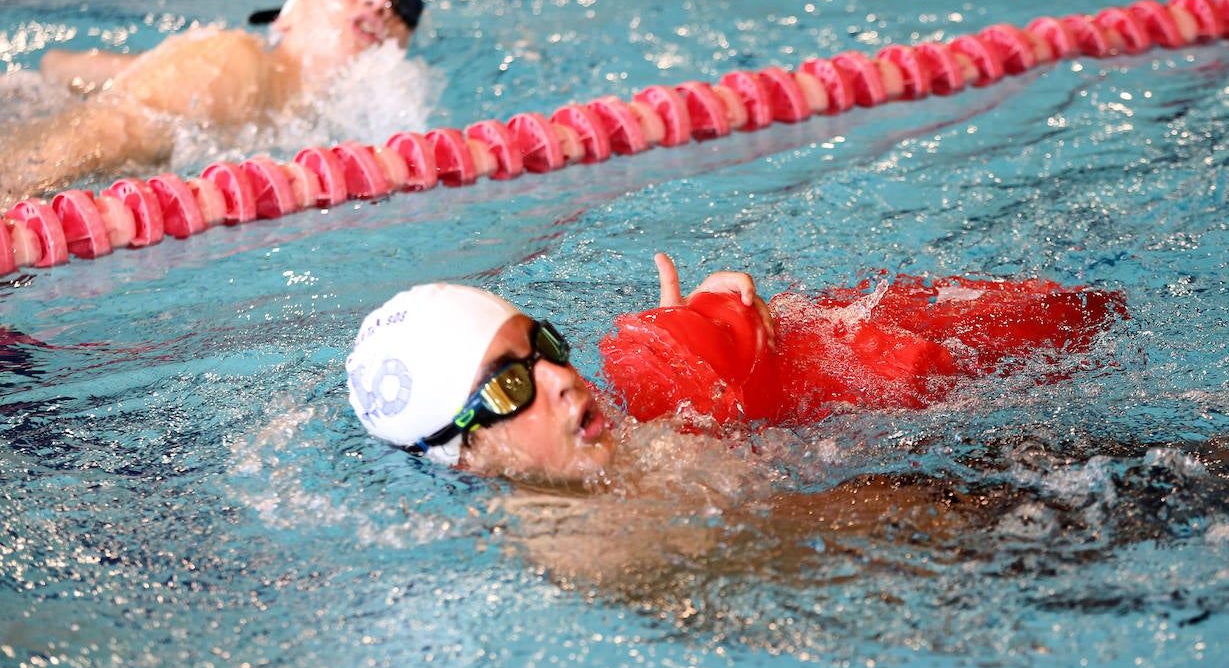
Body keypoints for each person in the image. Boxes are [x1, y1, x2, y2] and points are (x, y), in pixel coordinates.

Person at [345, 253, 1126, 485]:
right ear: (463, 452)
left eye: (543, 347)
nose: (561, 378)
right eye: (511, 384)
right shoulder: (602, 552)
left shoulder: (611, 457)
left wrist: (725, 357)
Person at [0, 0, 424, 207]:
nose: (380, 0)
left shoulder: (326, 125)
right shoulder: (230, 62)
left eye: (404, 2)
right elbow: (71, 147)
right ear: (289, 14)